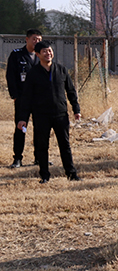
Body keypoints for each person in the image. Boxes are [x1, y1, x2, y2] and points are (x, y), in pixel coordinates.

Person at [15, 40, 81, 183]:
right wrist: (23, 118)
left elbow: (71, 91)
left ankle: (71, 174)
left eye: (49, 50)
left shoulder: (61, 70)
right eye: (44, 51)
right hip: (41, 115)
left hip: (60, 114)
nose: (48, 53)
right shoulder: (33, 73)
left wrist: (76, 109)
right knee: (42, 146)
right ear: (38, 54)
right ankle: (44, 176)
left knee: (65, 145)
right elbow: (26, 97)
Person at [6, 28, 42, 168]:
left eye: (39, 39)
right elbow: (10, 76)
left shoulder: (42, 55)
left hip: (38, 99)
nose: (37, 42)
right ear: (27, 39)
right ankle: (17, 158)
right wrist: (15, 96)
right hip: (22, 99)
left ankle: (39, 158)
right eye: (34, 39)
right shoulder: (17, 55)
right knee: (21, 128)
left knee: (40, 129)